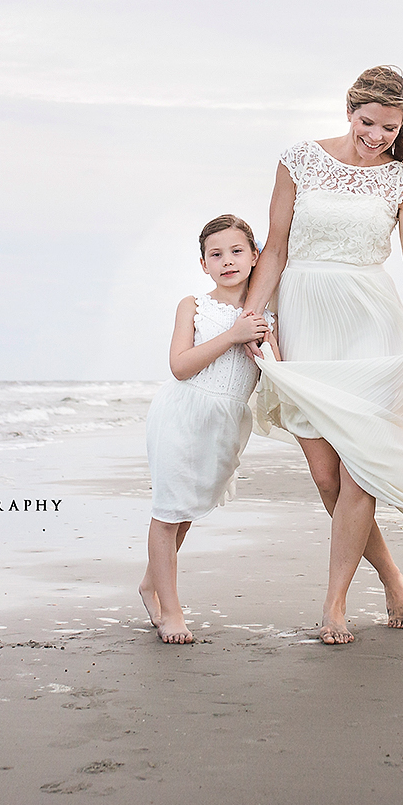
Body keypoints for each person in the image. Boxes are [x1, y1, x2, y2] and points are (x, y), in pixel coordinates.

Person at [242, 65, 403, 646]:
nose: (376, 137)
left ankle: (336, 601)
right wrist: (254, 316)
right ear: (350, 110)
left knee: (359, 471)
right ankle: (391, 575)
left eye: (389, 129)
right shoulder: (299, 159)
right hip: (306, 324)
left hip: (373, 327)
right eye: (368, 123)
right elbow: (275, 246)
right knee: (326, 477)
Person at [138, 214, 273, 644]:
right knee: (169, 510)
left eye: (237, 251)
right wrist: (233, 335)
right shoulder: (194, 306)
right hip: (182, 414)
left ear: (255, 256)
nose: (227, 261)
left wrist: (260, 346)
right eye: (216, 254)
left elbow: (274, 371)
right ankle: (171, 611)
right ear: (204, 264)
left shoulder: (267, 314)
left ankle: (150, 583)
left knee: (190, 508)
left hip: (225, 422)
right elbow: (180, 366)